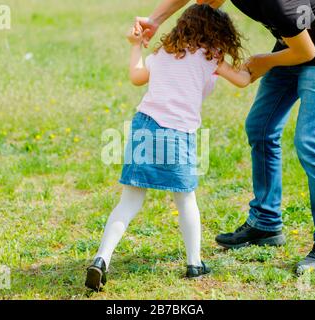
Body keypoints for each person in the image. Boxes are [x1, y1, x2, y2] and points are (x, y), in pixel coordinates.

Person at [136, 0, 315, 275]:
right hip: (293, 46)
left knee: (310, 142)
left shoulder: (280, 3)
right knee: (260, 128)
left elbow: (306, 50)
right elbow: (203, 2)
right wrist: (156, 19)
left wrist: (266, 61)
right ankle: (265, 223)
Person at [85, 4, 251, 291]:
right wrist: (269, 61)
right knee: (185, 200)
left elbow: (137, 77)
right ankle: (194, 263)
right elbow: (243, 80)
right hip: (178, 134)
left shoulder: (163, 53)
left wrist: (135, 46)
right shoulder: (211, 58)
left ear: (182, 26)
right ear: (217, 34)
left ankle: (101, 259)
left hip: (144, 127)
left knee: (129, 201)